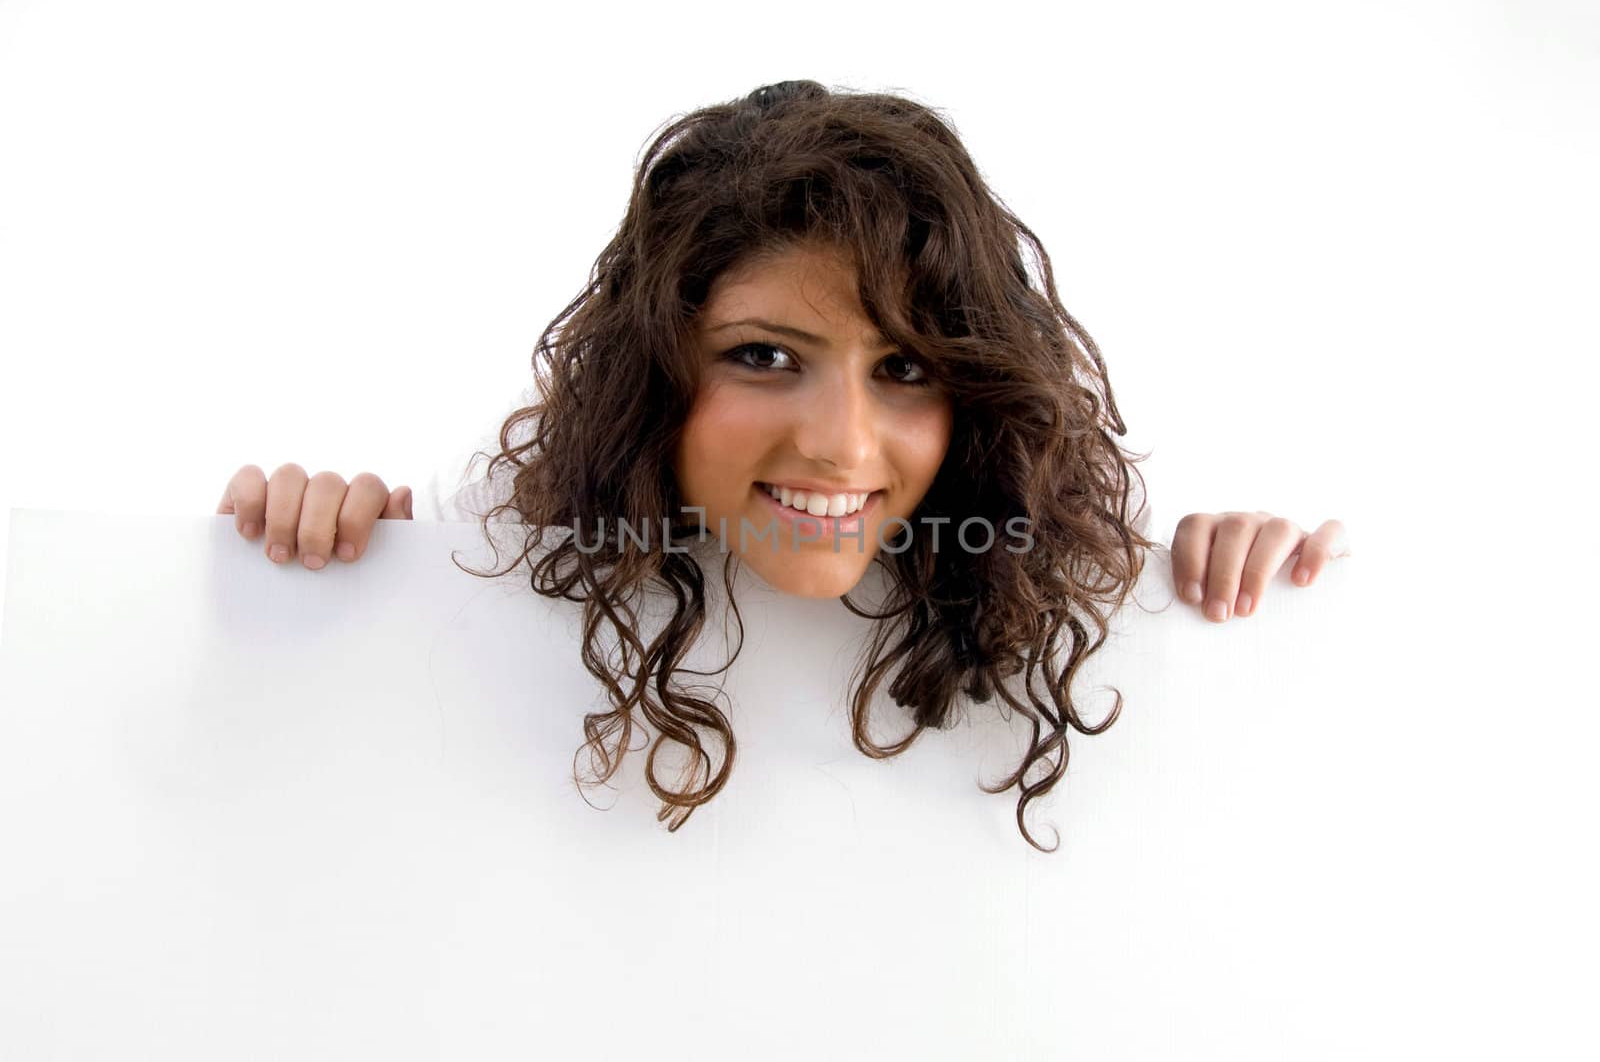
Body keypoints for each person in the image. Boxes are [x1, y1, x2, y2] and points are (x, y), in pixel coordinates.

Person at [216, 80, 1349, 851]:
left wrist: (1238, 581)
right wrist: (328, 543)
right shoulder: (494, 587)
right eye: (764, 356)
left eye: (905, 367)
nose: (840, 443)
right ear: (653, 373)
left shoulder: (1020, 566)